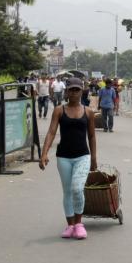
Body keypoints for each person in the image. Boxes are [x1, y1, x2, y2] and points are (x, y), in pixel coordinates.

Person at [38, 77, 98, 240]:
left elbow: (91, 136)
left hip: (82, 156)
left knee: (77, 188)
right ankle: (70, 225)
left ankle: (79, 224)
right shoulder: (59, 110)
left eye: (77, 89)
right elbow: (51, 132)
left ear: (82, 91)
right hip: (63, 156)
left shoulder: (88, 112)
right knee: (67, 192)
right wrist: (44, 153)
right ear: (66, 91)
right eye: (71, 89)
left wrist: (93, 158)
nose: (74, 92)